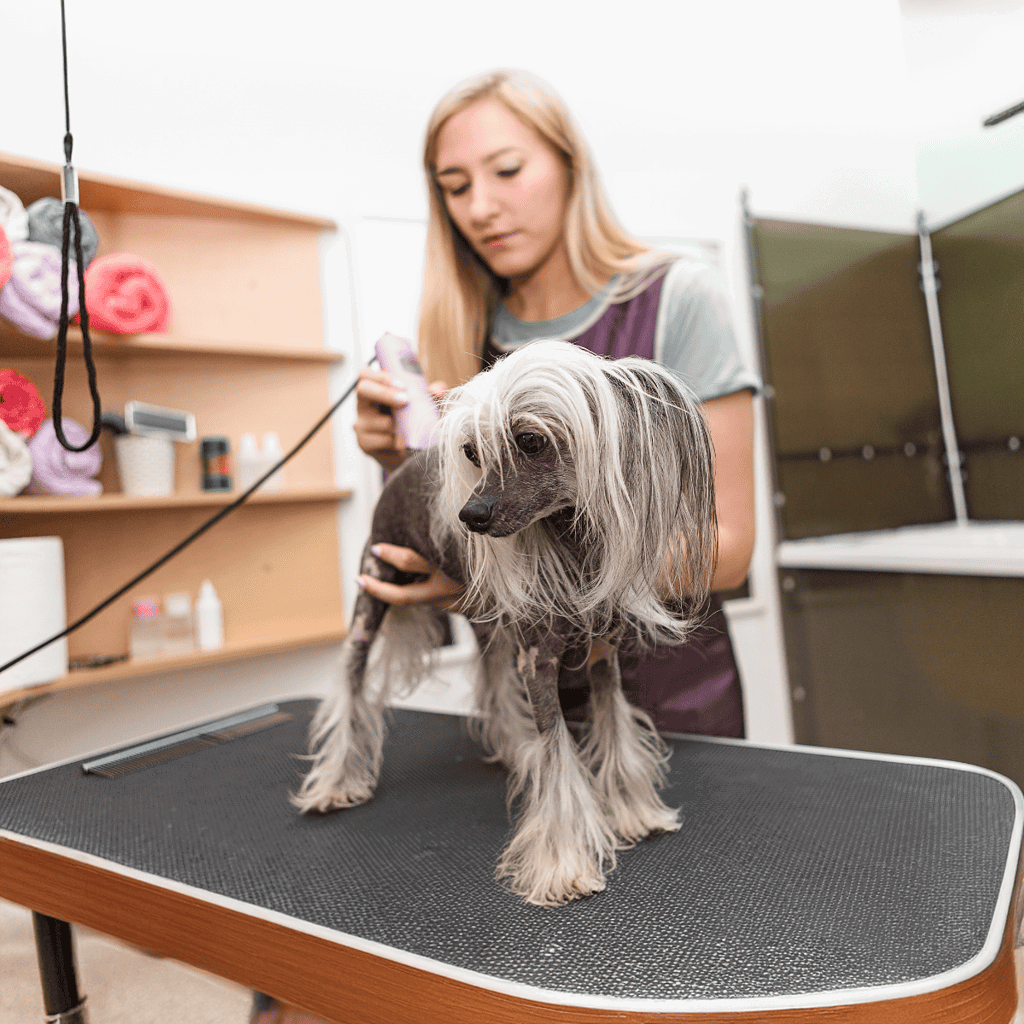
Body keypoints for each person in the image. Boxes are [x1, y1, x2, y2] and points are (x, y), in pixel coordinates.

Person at [252, 67, 758, 1024]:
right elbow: (468, 537)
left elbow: (724, 547)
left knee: (685, 962)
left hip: (672, 686)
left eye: (507, 168)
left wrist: (564, 578)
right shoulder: (462, 331)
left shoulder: (676, 299)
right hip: (518, 708)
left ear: (568, 166)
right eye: (453, 186)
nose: (481, 206)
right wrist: (397, 469)